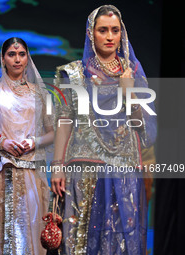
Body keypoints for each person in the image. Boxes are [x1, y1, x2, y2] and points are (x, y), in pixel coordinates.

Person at [51, 5, 157, 255]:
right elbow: (64, 121)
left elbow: (144, 130)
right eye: (103, 30)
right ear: (91, 33)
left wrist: (128, 90)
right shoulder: (74, 74)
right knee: (80, 240)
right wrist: (57, 166)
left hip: (122, 169)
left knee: (118, 240)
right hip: (83, 167)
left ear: (122, 34)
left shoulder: (132, 73)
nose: (110, 36)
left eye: (115, 30)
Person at [0, 37, 54, 255]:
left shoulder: (42, 95)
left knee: (28, 229)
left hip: (30, 171)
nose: (17, 59)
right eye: (12, 54)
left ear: (27, 58)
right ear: (3, 59)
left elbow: (53, 133)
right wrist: (1, 141)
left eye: (22, 54)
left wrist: (34, 141)